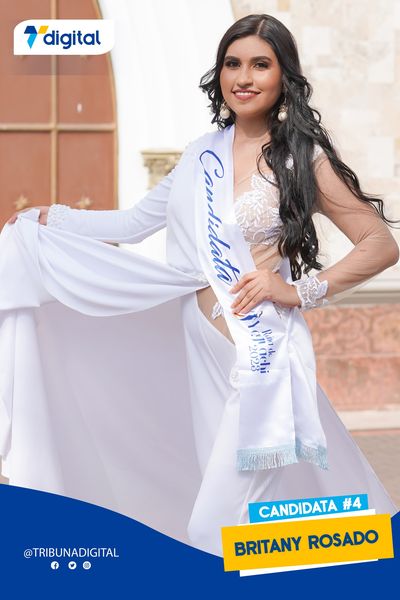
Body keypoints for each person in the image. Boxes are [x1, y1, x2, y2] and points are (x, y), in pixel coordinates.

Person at [3, 14, 399, 557]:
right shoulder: (200, 155)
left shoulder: (301, 158)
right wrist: (53, 219)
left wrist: (298, 290)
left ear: (284, 76)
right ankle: (327, 563)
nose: (244, 77)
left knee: (213, 525)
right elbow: (132, 224)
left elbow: (379, 243)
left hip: (258, 356)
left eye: (260, 64)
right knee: (252, 519)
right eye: (233, 64)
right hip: (202, 351)